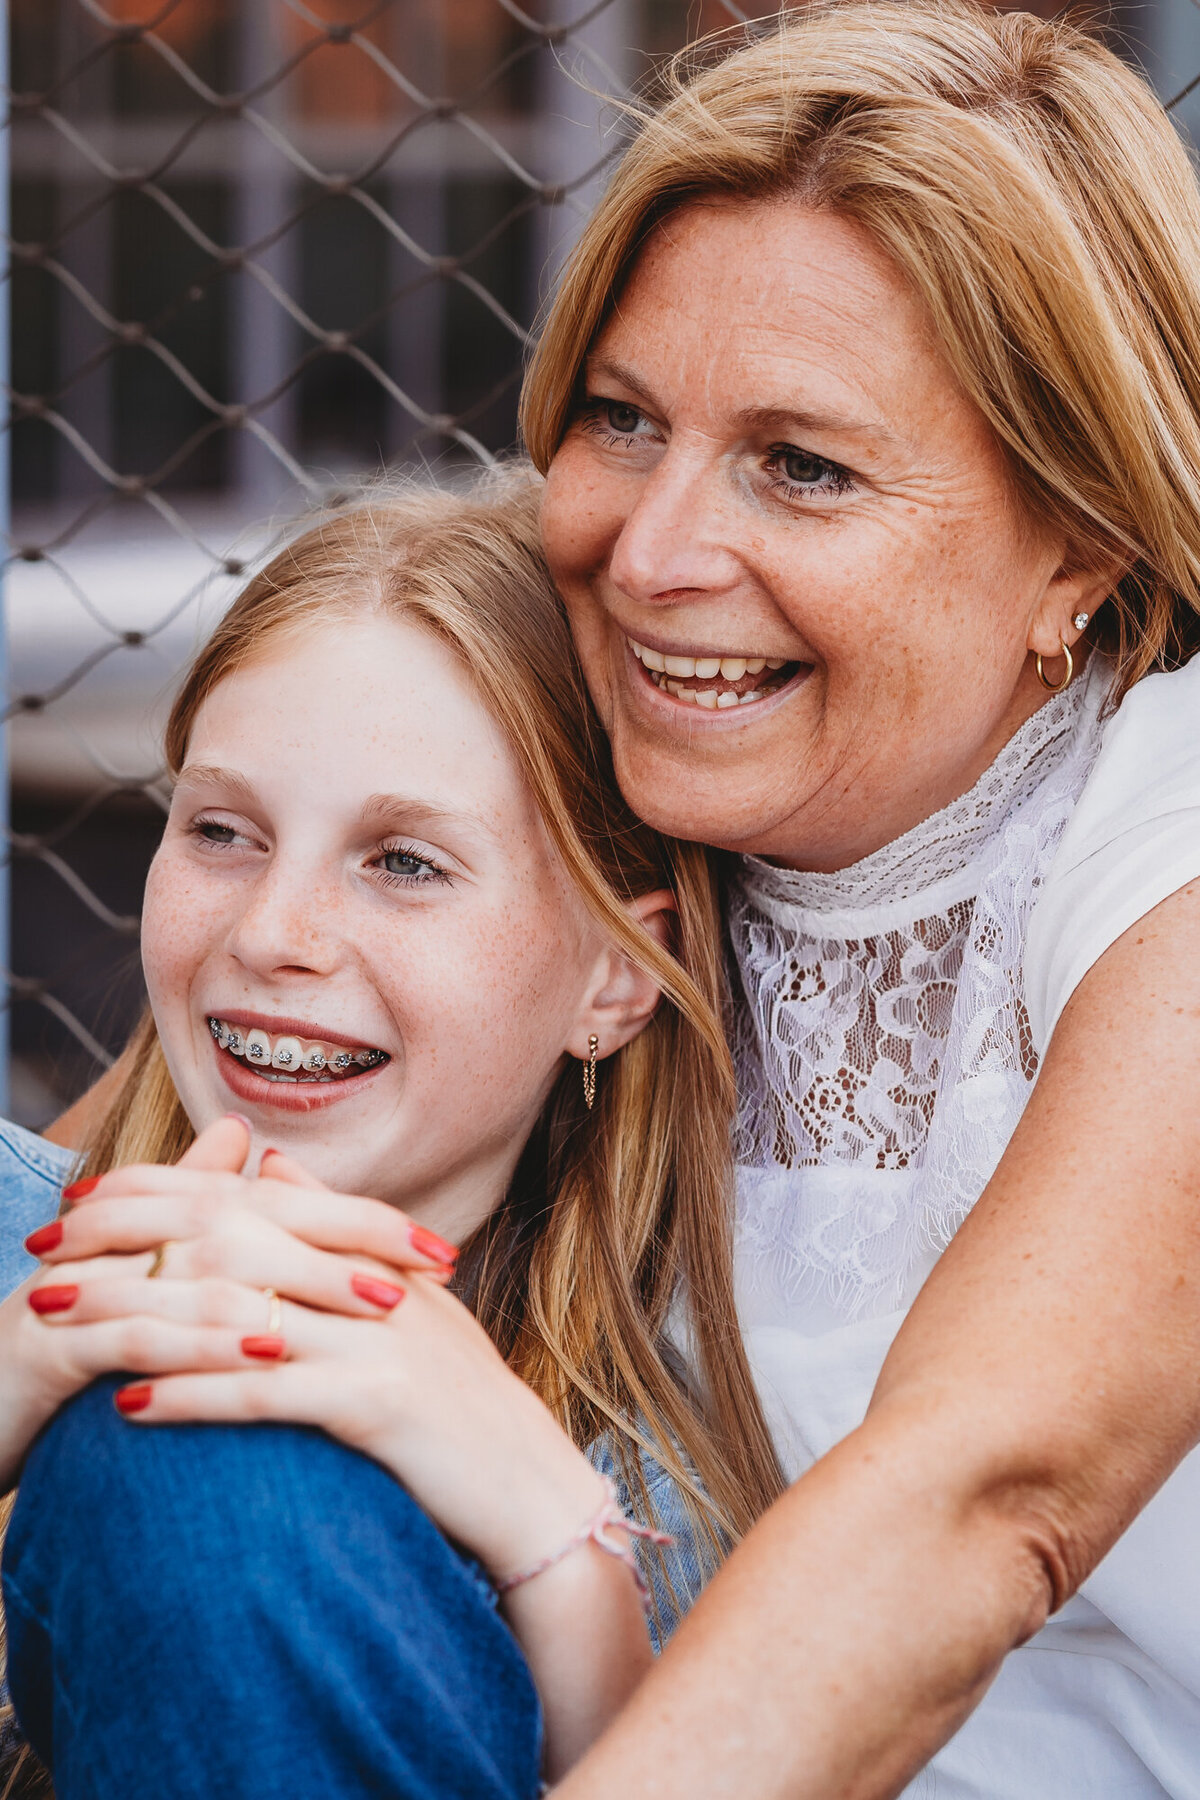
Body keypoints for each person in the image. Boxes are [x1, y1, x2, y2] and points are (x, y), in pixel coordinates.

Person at [10, 1, 1200, 1794]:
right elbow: (136, 1176)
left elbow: (987, 1496)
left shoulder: (1158, 822)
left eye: (802, 466)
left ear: (1082, 543)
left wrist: (540, 1516)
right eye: (624, 420)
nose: (652, 558)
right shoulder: (624, 736)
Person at [0, 476, 780, 1798]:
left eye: (404, 862)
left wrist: (563, 1561)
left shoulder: (692, 1470)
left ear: (612, 976)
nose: (269, 935)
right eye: (221, 833)